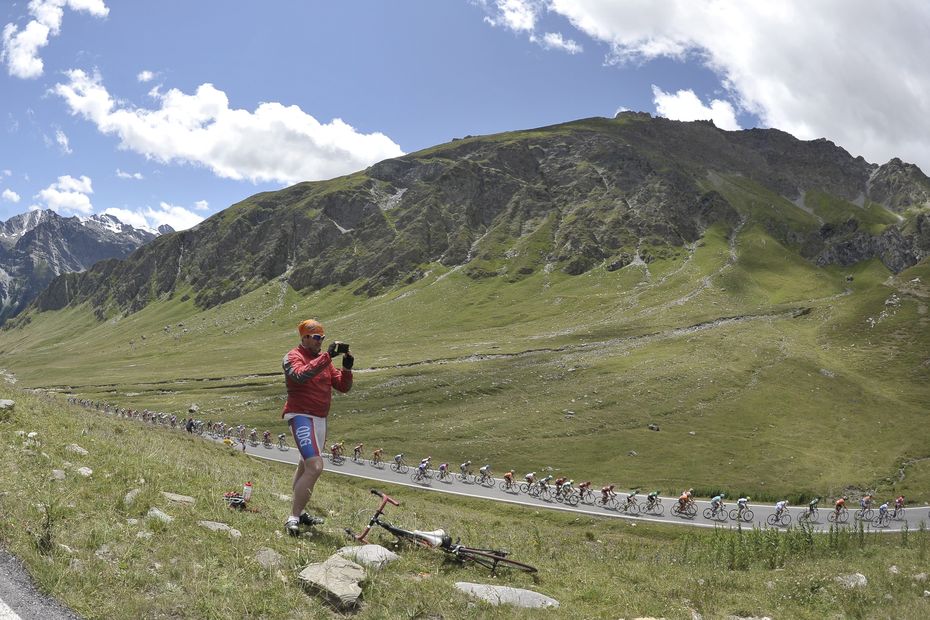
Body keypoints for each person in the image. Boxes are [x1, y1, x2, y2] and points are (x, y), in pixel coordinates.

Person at [281, 319, 354, 536]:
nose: (320, 341)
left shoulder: (325, 361)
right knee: (315, 467)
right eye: (315, 337)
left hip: (320, 419)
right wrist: (326, 357)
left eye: (322, 338)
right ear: (304, 337)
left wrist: (347, 368)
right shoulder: (292, 356)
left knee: (305, 465)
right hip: (300, 415)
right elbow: (300, 375)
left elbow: (342, 386)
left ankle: (300, 512)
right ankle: (293, 517)